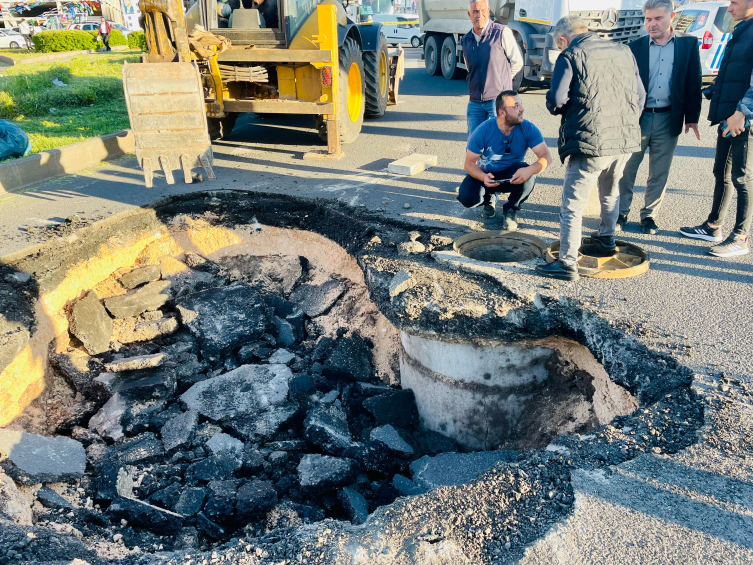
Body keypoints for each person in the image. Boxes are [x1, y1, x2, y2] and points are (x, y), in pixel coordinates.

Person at [537, 15, 645, 281]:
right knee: (610, 193)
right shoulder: (623, 50)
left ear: (563, 39)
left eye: (558, 44)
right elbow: (640, 95)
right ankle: (606, 240)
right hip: (624, 140)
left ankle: (566, 264)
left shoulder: (571, 55)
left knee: (572, 205)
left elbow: (557, 99)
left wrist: (557, 107)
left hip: (590, 142)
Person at [618, 0, 702, 235]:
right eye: (648, 19)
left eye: (657, 19)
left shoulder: (687, 44)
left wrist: (692, 117)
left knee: (660, 171)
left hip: (668, 117)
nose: (651, 24)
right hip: (638, 119)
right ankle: (621, 212)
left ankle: (649, 216)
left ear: (671, 17)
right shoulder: (634, 47)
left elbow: (693, 82)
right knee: (626, 168)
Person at [680, 0, 753, 258]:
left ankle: (740, 238)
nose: (729, 8)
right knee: (721, 171)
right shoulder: (743, 29)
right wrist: (712, 91)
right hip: (728, 115)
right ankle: (713, 226)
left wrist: (742, 112)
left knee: (742, 178)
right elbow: (733, 73)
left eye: (734, 2)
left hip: (742, 119)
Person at [458, 90, 552, 229]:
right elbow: (469, 163)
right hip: (487, 175)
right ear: (502, 113)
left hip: (512, 175)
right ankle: (488, 200)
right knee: (468, 197)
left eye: (521, 104)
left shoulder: (528, 128)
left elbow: (546, 156)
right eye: (516, 106)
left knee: (528, 176)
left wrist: (529, 170)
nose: (522, 109)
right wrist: (483, 177)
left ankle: (510, 210)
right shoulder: (483, 130)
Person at [462, 0, 523, 139]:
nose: (480, 15)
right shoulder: (466, 39)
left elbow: (517, 62)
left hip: (498, 99)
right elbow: (469, 67)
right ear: (469, 14)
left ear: (488, 11)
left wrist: (502, 83)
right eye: (476, 11)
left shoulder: (501, 32)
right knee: (474, 142)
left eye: (483, 11)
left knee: (503, 140)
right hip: (475, 101)